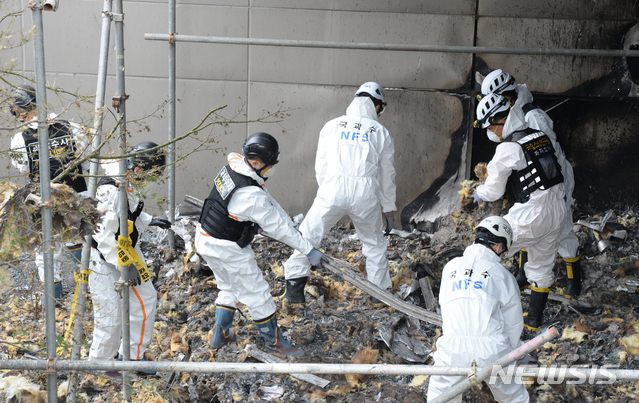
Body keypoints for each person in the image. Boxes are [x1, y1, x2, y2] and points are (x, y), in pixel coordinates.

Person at [195, 132, 327, 357]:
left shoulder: (235, 166)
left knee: (228, 286)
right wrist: (308, 250)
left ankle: (220, 334)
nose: (271, 170)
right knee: (257, 293)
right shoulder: (250, 195)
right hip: (227, 247)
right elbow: (277, 227)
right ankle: (276, 343)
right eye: (268, 165)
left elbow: (266, 202)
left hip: (206, 238)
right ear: (256, 163)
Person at [281, 82, 396, 307]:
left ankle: (294, 289)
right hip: (366, 191)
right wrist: (389, 209)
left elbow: (321, 165)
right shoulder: (381, 132)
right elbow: (387, 175)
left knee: (308, 234)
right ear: (376, 105)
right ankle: (379, 295)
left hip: (332, 186)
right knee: (374, 243)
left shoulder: (332, 126)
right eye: (380, 108)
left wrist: (328, 189)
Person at [480, 69, 582, 299]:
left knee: (561, 229)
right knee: (528, 224)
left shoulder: (532, 116)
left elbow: (545, 152)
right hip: (533, 181)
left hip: (553, 179)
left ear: (506, 97)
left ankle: (574, 281)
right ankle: (525, 275)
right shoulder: (513, 114)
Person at [472, 93, 569, 331]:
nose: (490, 132)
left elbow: (494, 190)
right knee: (541, 266)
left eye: (490, 126)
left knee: (486, 246)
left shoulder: (509, 147)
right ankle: (534, 320)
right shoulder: (539, 136)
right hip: (558, 211)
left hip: (532, 214)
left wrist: (478, 193)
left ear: (499, 120)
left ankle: (477, 306)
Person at [88, 141, 171, 377]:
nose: (148, 182)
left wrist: (148, 220)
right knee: (109, 312)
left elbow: (126, 213)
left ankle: (133, 356)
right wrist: (128, 265)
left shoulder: (124, 181)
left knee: (145, 299)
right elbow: (104, 236)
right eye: (148, 177)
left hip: (126, 248)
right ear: (137, 171)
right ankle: (101, 365)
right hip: (105, 258)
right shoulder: (110, 191)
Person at [427, 216, 528, 403]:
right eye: (503, 250)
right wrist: (510, 355)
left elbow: (445, 306)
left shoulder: (451, 267)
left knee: (440, 398)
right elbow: (513, 324)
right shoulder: (503, 275)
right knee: (514, 397)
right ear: (499, 246)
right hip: (492, 348)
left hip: (452, 347)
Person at [8, 84, 91, 301]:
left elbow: (24, 168)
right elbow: (86, 158)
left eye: (17, 110)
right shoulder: (73, 127)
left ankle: (53, 304)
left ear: (27, 107)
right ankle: (85, 295)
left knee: (46, 252)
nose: (17, 116)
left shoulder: (20, 140)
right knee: (79, 242)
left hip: (43, 200)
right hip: (76, 197)